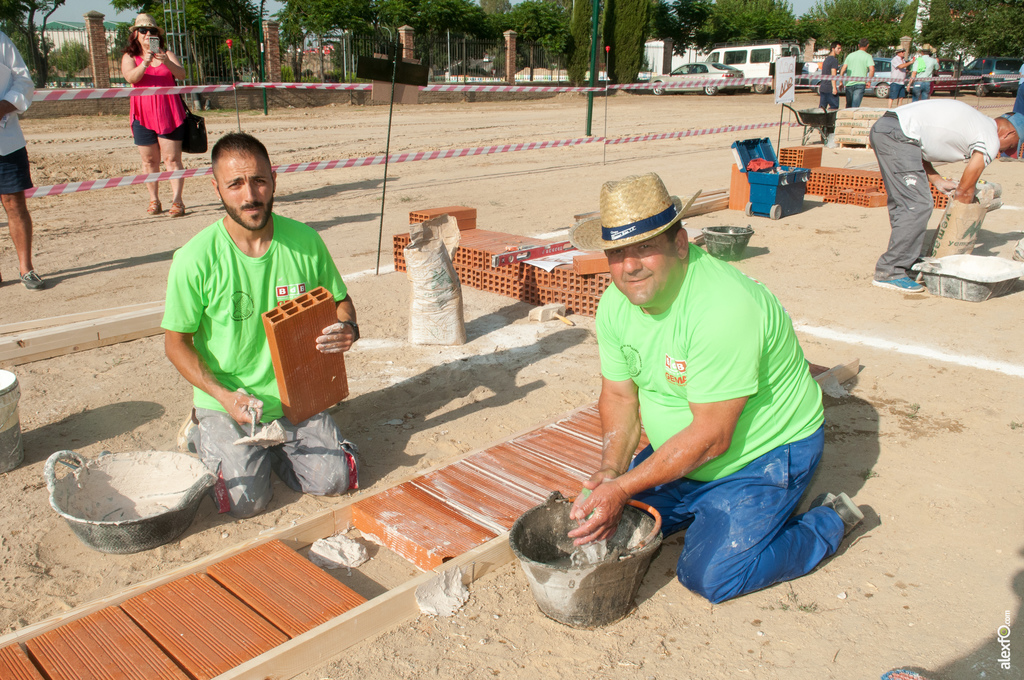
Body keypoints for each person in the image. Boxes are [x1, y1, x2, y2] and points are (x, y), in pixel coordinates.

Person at [565, 173, 864, 605]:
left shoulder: (722, 307)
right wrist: (612, 470)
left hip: (762, 453)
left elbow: (712, 437)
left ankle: (827, 523)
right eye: (618, 253)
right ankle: (688, 503)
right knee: (612, 529)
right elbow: (619, 396)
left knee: (712, 576)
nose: (630, 266)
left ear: (681, 244)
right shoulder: (615, 303)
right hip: (689, 450)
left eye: (645, 248)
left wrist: (626, 487)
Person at [162, 132, 360, 518]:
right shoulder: (195, 258)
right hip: (227, 400)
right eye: (235, 183)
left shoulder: (304, 241)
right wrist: (222, 395)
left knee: (334, 480)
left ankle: (270, 449)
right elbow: (176, 344)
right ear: (216, 186)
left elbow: (340, 301)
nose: (249, 195)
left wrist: (348, 328)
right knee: (246, 502)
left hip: (294, 398)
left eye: (259, 181)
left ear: (273, 180)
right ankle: (203, 430)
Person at [869, 101, 1024, 291]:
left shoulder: (977, 123)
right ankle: (891, 270)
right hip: (898, 135)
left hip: (890, 128)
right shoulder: (990, 138)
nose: (1002, 152)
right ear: (1009, 133)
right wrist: (964, 212)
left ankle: (904, 259)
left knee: (906, 202)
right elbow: (965, 191)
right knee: (918, 204)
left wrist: (937, 180)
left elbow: (917, 143)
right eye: (1011, 145)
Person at [121, 14, 188, 217]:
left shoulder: (167, 54)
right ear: (135, 35)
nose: (147, 34)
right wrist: (146, 62)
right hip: (142, 114)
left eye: (152, 31)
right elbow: (131, 77)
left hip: (169, 113)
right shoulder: (130, 57)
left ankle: (177, 201)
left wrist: (165, 61)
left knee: (172, 159)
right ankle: (154, 200)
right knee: (149, 161)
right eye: (143, 31)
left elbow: (182, 75)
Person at [0, 31, 44, 290]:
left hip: (6, 141)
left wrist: (4, 106)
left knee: (14, 204)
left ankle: (26, 269)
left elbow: (24, 81)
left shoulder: (1, 40)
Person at [839, 38, 874, 108]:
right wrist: (869, 81)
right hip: (860, 83)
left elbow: (843, 69)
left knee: (848, 106)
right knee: (855, 106)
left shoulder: (850, 55)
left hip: (849, 83)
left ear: (858, 45)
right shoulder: (868, 56)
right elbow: (872, 70)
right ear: (867, 45)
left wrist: (840, 82)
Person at [818, 41, 842, 111]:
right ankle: (828, 121)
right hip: (829, 87)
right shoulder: (834, 60)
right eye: (838, 48)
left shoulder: (826, 59)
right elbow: (833, 75)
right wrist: (834, 88)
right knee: (834, 106)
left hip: (823, 87)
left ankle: (820, 121)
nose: (840, 50)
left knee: (822, 108)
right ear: (833, 48)